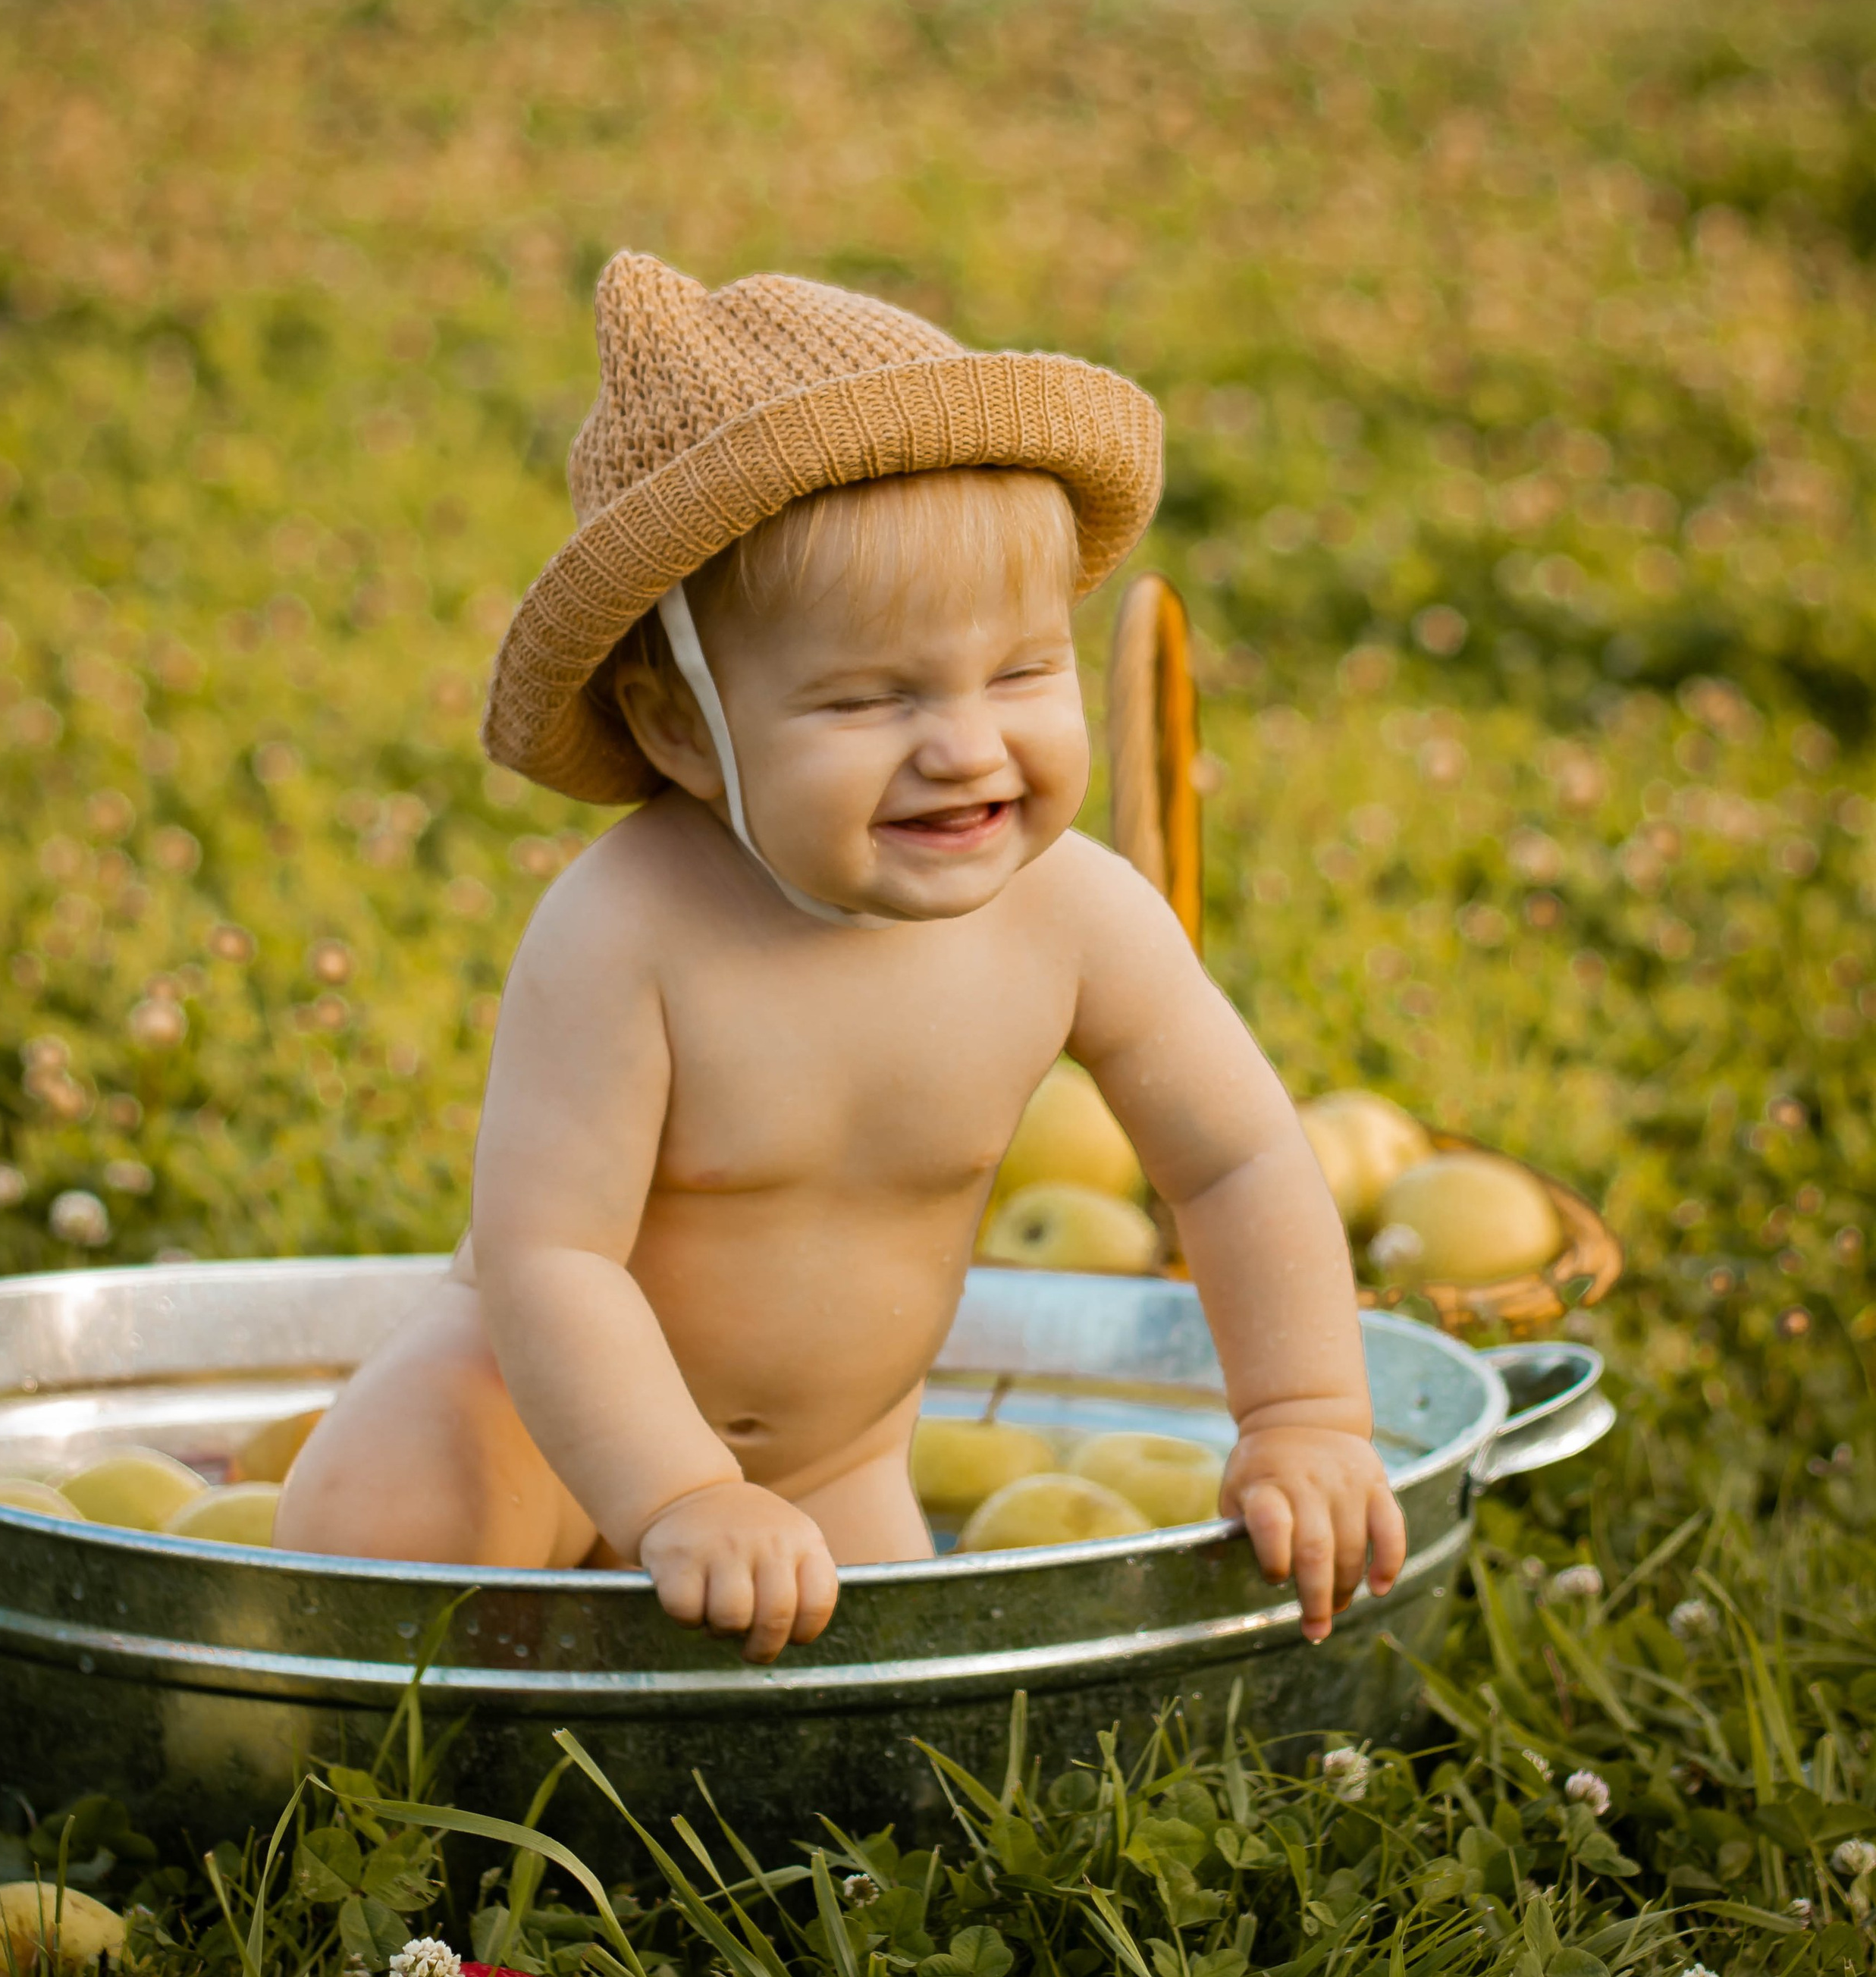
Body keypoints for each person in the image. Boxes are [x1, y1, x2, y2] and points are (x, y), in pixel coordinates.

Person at [278, 252, 1407, 1661]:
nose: (965, 746)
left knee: (888, 1754)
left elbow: (1237, 1161)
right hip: (533, 1423)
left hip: (826, 1470)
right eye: (868, 698)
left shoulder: (1081, 916)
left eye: (1022, 671)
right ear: (683, 730)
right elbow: (548, 1256)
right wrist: (678, 1490)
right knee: (376, 1561)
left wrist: (1303, 1417)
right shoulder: (627, 933)